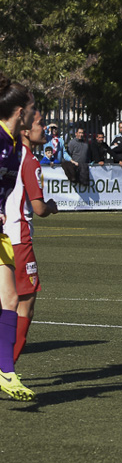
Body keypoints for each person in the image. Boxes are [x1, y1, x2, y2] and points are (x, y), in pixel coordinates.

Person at [5, 109, 58, 369]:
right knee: (25, 305)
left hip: (5, 234)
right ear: (25, 128)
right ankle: (6, 368)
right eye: (39, 124)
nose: (44, 129)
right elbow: (38, 208)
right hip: (19, 239)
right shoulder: (29, 160)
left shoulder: (8, 153)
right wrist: (52, 206)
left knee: (7, 302)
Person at [0, 75, 38, 400]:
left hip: (0, 232)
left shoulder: (14, 146)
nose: (33, 115)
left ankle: (6, 373)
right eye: (31, 109)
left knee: (10, 300)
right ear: (18, 111)